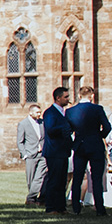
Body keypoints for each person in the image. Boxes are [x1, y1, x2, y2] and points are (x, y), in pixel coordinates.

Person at [65, 87, 111, 216]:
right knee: (96, 178)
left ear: (79, 95)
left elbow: (67, 130)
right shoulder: (97, 109)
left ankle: (75, 207)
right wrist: (100, 135)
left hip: (80, 145)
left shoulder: (70, 111)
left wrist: (74, 142)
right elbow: (107, 127)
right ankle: (100, 209)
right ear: (91, 96)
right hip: (95, 144)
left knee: (77, 177)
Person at [39, 86, 73, 214]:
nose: (68, 99)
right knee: (54, 180)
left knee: (62, 181)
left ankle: (61, 207)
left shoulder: (64, 112)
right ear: (58, 98)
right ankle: (51, 207)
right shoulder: (50, 112)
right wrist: (65, 127)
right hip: (54, 151)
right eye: (66, 97)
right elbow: (51, 129)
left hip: (63, 151)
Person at [16, 103, 46, 205]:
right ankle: (33, 199)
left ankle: (31, 198)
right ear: (30, 112)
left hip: (42, 154)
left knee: (40, 176)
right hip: (30, 154)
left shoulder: (42, 123)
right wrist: (24, 154)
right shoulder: (23, 124)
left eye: (40, 112)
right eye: (37, 112)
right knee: (31, 178)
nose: (39, 114)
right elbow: (20, 141)